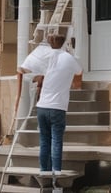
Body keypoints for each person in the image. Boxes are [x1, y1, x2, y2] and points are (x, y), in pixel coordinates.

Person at [35, 33, 82, 176]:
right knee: (56, 140)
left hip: (42, 106)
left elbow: (38, 77)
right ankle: (57, 171)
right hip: (57, 107)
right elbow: (79, 77)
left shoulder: (45, 58)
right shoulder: (69, 58)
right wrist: (72, 82)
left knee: (44, 140)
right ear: (63, 44)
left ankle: (44, 171)